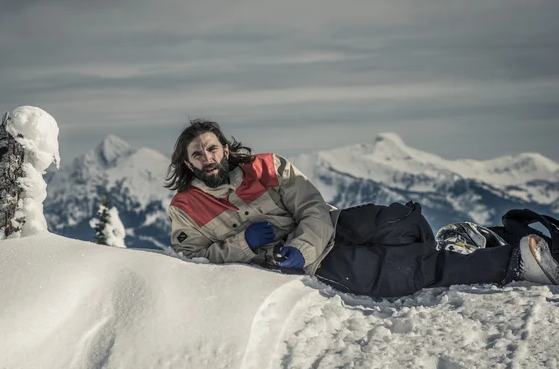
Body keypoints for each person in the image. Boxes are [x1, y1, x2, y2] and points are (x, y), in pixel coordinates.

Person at [165, 119, 559, 298]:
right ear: (188, 163)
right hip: (312, 265)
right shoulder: (185, 209)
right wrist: (243, 246)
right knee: (407, 272)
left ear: (225, 148)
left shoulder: (267, 166)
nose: (207, 156)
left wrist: (301, 247)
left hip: (329, 228)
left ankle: (475, 239)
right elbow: (191, 258)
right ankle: (514, 262)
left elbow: (312, 209)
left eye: (212, 148)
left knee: (400, 220)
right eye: (197, 153)